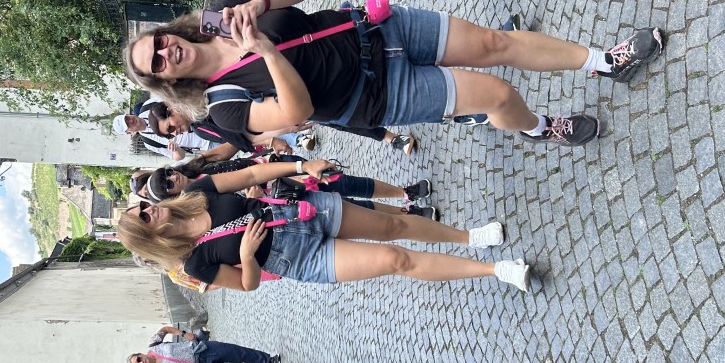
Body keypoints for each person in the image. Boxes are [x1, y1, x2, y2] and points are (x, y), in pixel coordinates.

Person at [123, 0, 664, 149]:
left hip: (378, 29)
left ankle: (604, 61)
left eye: (160, 42)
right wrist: (264, 49)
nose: (166, 52)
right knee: (499, 96)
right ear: (165, 83)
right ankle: (541, 128)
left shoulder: (223, 12)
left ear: (168, 32)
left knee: (496, 44)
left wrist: (260, 3)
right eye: (158, 63)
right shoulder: (223, 105)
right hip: (379, 94)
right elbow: (295, 112)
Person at [115, 154, 526, 292]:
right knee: (394, 259)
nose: (151, 209)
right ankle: (494, 270)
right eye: (144, 216)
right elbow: (246, 284)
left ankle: (469, 237)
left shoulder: (197, 192)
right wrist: (247, 256)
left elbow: (251, 174)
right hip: (296, 257)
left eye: (144, 206)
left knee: (394, 226)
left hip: (301, 210)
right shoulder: (193, 263)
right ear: (148, 237)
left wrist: (299, 166)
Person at [135, 156, 440, 219]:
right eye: (167, 185)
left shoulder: (200, 164)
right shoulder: (197, 201)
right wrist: (253, 198)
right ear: (171, 196)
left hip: (279, 173)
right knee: (348, 207)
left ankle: (404, 193)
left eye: (167, 173)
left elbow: (236, 150)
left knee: (344, 182)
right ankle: (407, 215)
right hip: (279, 199)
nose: (172, 178)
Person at [149, 101, 419, 158]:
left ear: (172, 109)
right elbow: (245, 139)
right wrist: (280, 133)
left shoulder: (201, 97)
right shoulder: (201, 129)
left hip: (277, 101)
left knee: (339, 109)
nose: (176, 132)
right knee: (338, 119)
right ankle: (390, 137)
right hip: (281, 121)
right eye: (170, 134)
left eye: (170, 127)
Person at [131, 325, 282, 363]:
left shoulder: (154, 344)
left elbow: (165, 329)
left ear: (140, 354)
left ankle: (268, 359)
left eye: (138, 359)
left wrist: (183, 334)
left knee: (238, 352)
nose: (140, 362)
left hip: (202, 349)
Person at [117, 112, 214, 159]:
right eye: (128, 124)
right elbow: (178, 157)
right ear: (129, 132)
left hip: (205, 120)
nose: (131, 120)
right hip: (207, 143)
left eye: (127, 118)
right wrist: (176, 149)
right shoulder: (149, 143)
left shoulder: (148, 107)